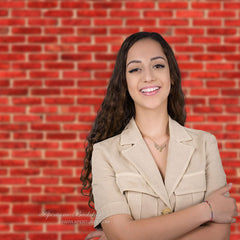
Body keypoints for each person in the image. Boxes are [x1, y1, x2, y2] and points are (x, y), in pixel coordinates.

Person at [81, 32, 238, 240]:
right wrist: (206, 210)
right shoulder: (105, 153)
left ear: (171, 75)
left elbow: (219, 235)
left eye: (158, 65)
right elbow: (122, 235)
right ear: (125, 82)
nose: (148, 76)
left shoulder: (205, 144)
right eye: (135, 69)